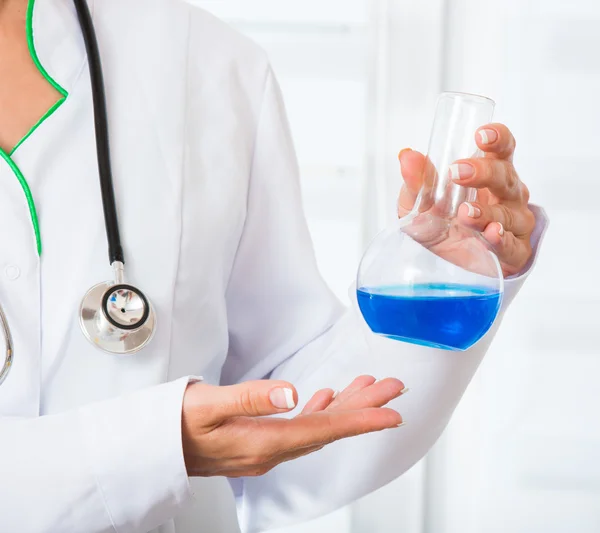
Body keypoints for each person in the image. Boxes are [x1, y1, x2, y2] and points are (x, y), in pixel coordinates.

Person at [0, 0, 547, 532]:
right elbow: (172, 445)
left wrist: (451, 272)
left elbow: (285, 427)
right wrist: (151, 448)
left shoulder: (202, 61)